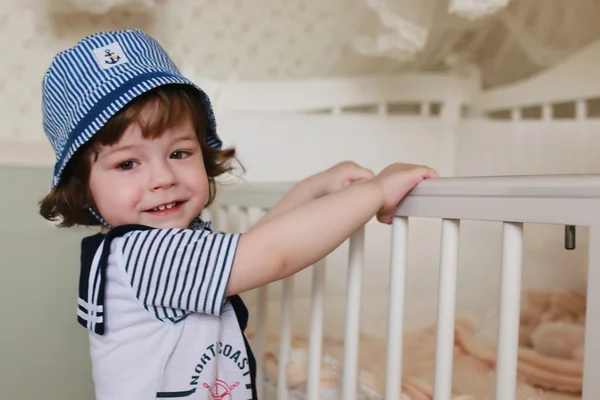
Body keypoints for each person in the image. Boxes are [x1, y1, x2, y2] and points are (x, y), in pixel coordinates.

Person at [38, 29, 437, 399]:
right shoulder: (146, 256)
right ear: (83, 186)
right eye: (127, 164)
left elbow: (252, 248)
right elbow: (270, 253)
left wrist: (310, 190)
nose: (162, 178)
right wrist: (376, 192)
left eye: (179, 153)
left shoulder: (145, 252)